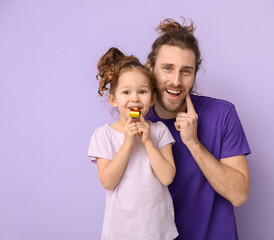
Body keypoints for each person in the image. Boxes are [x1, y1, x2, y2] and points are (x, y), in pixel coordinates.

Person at [145, 18, 251, 240]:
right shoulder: (139, 124)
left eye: (186, 71)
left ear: (194, 75)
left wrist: (193, 143)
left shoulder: (222, 114)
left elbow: (239, 194)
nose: (176, 80)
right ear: (150, 67)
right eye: (167, 68)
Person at [88, 47, 178, 240]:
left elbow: (167, 177)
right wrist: (128, 142)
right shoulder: (103, 135)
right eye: (126, 92)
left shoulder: (159, 130)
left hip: (157, 229)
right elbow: (108, 181)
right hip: (121, 231)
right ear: (113, 100)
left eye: (142, 91)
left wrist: (148, 142)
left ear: (152, 99)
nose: (135, 98)